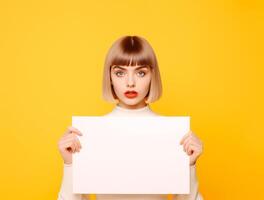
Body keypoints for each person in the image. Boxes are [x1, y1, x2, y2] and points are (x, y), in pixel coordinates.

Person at [57, 35, 204, 200]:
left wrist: (190, 166)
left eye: (141, 73)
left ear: (152, 76)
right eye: (120, 73)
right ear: (110, 77)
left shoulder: (173, 135)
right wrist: (70, 164)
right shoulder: (89, 134)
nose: (130, 82)